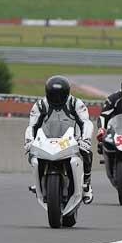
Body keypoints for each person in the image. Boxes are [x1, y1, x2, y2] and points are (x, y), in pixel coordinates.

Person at [25, 76, 95, 204]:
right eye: (53, 95)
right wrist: (29, 141)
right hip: (47, 140)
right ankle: (38, 183)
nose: (56, 99)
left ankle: (86, 184)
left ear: (67, 93)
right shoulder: (40, 105)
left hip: (72, 139)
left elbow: (86, 122)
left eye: (60, 95)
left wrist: (85, 140)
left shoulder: (76, 104)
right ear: (47, 93)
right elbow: (32, 126)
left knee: (87, 153)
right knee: (32, 154)